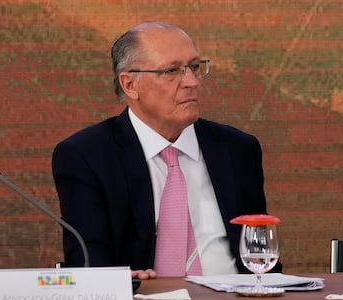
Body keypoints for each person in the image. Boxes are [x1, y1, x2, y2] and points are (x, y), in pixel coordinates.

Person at [52, 22, 269, 278]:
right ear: (130, 84)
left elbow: (261, 254)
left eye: (195, 67)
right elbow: (88, 260)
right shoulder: (86, 156)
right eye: (171, 71)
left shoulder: (238, 149)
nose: (191, 82)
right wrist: (120, 281)